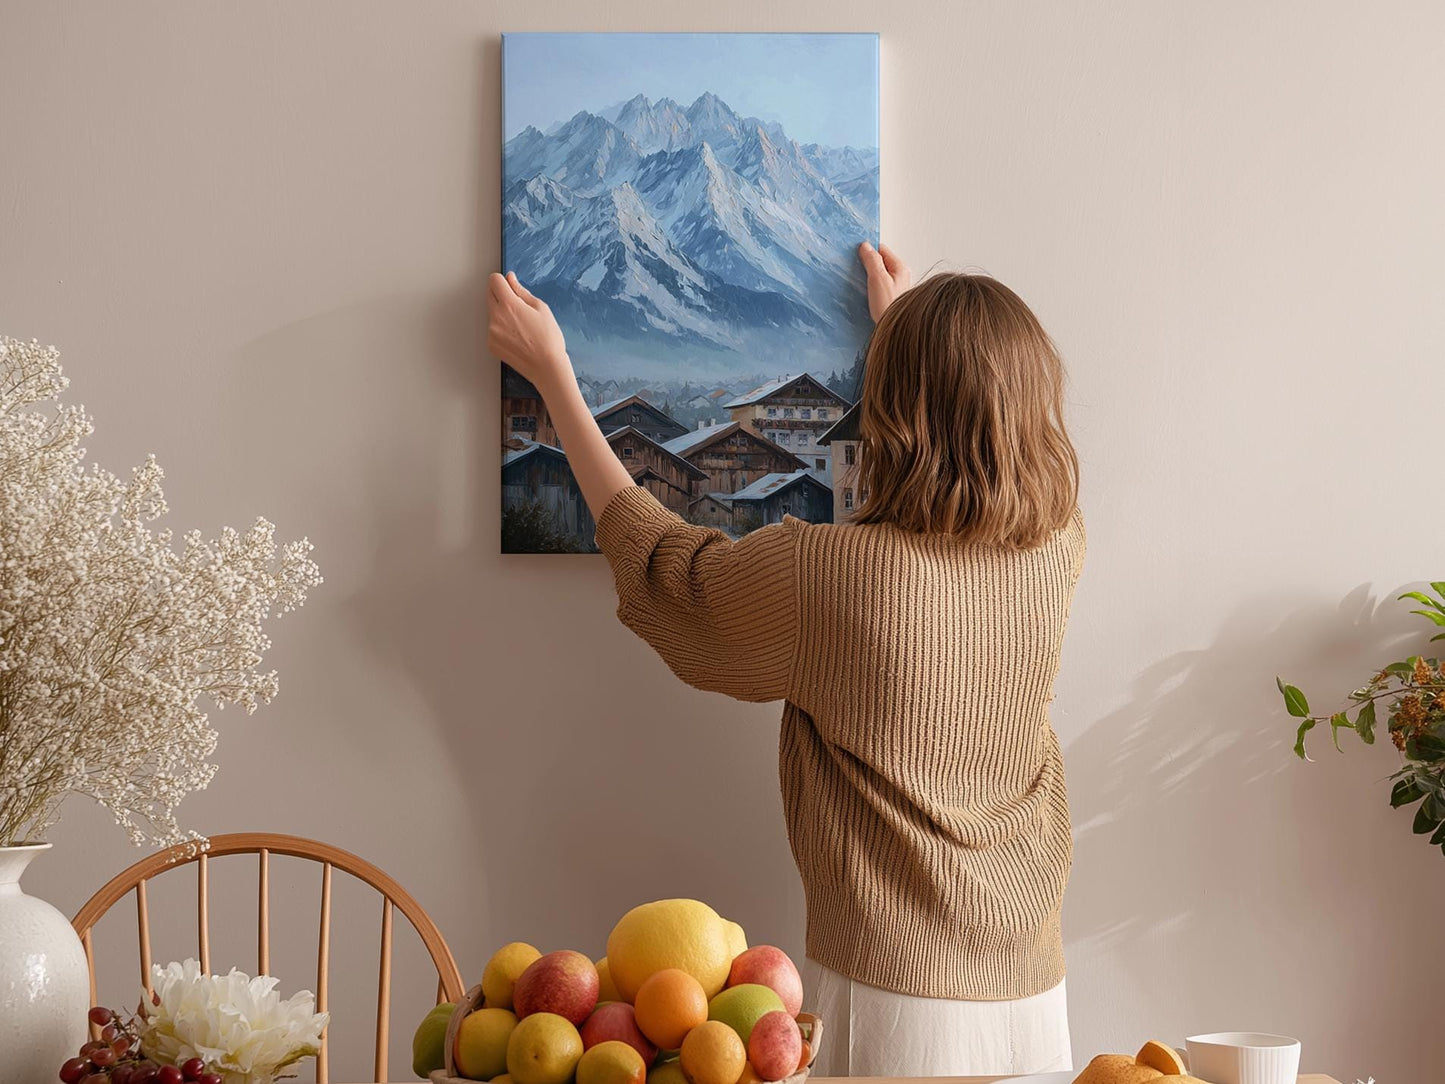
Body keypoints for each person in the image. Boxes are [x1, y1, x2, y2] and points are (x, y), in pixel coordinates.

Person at [486, 241, 1085, 1076]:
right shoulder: (1055, 548)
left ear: (894, 407)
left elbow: (667, 568)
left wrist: (555, 379)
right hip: (1033, 985)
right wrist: (904, 332)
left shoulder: (829, 576)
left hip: (894, 995)